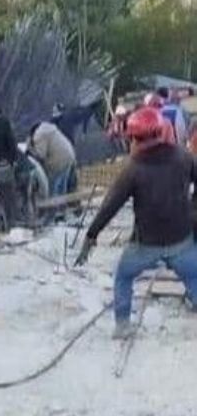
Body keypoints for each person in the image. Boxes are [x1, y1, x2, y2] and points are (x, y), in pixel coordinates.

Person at [75, 107, 197, 339]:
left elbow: (110, 206)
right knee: (193, 274)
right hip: (181, 240)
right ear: (161, 130)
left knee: (123, 276)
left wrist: (92, 235)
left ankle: (122, 326)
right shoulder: (183, 156)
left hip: (146, 245)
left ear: (132, 137)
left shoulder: (133, 170)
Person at [27, 113, 76, 197]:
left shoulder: (39, 135)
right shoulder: (49, 129)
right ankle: (62, 206)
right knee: (61, 188)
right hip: (69, 156)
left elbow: (40, 155)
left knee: (55, 189)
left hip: (58, 162)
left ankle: (55, 207)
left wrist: (31, 148)